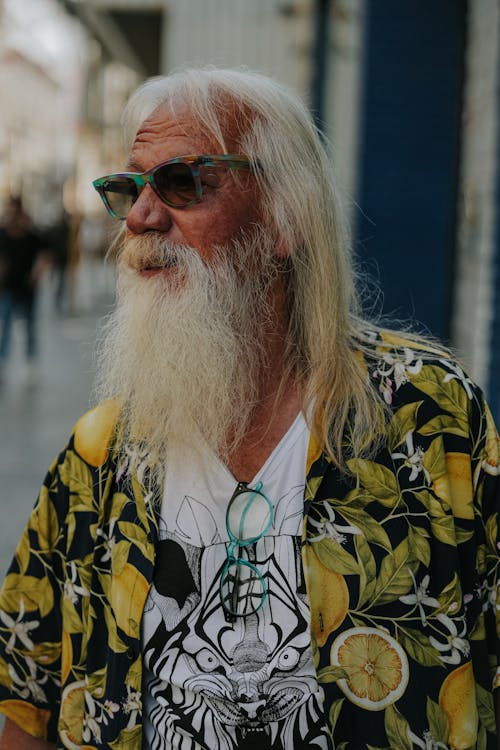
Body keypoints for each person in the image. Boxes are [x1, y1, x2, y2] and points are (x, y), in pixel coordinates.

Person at [0, 67, 498, 750]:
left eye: (182, 183)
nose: (142, 218)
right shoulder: (101, 453)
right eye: (129, 189)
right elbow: (27, 702)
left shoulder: (429, 418)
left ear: (285, 217)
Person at [0, 197, 48, 375]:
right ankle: (3, 361)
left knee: (29, 326)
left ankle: (30, 360)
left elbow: (45, 255)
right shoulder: (3, 234)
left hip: (28, 289)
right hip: (7, 288)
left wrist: (37, 272)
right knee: (5, 325)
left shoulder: (31, 235)